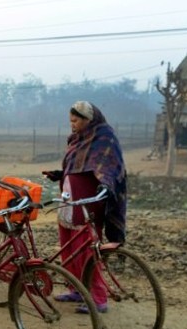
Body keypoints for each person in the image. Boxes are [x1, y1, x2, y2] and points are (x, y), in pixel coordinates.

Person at [43, 101, 127, 314]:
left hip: (89, 201)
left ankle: (98, 298)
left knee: (87, 249)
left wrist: (107, 186)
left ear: (89, 120)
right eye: (70, 120)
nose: (72, 124)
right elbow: (79, 166)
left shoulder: (104, 138)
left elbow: (109, 167)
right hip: (70, 199)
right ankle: (77, 289)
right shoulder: (78, 139)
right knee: (69, 247)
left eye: (76, 120)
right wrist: (61, 174)